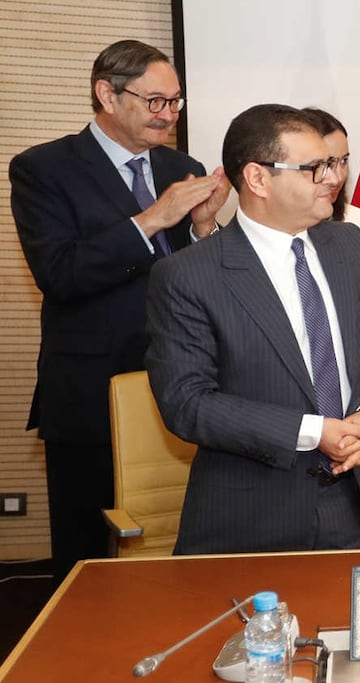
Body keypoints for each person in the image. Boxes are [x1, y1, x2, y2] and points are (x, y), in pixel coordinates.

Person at [9, 39, 229, 580]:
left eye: (176, 102)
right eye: (156, 102)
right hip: (90, 391)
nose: (169, 115)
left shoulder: (182, 166)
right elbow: (60, 274)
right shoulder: (43, 168)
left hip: (177, 384)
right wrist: (153, 218)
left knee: (176, 540)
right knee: (87, 552)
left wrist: (202, 228)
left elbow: (195, 281)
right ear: (107, 94)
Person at [145, 104, 360, 554]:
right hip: (253, 514)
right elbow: (187, 403)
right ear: (258, 178)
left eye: (333, 163)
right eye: (313, 168)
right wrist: (312, 431)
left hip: (359, 502)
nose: (332, 178)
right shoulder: (190, 274)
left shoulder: (350, 245)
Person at [302, 107, 360, 252]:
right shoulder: (279, 226)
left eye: (344, 161)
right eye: (327, 164)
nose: (337, 178)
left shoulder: (358, 221)